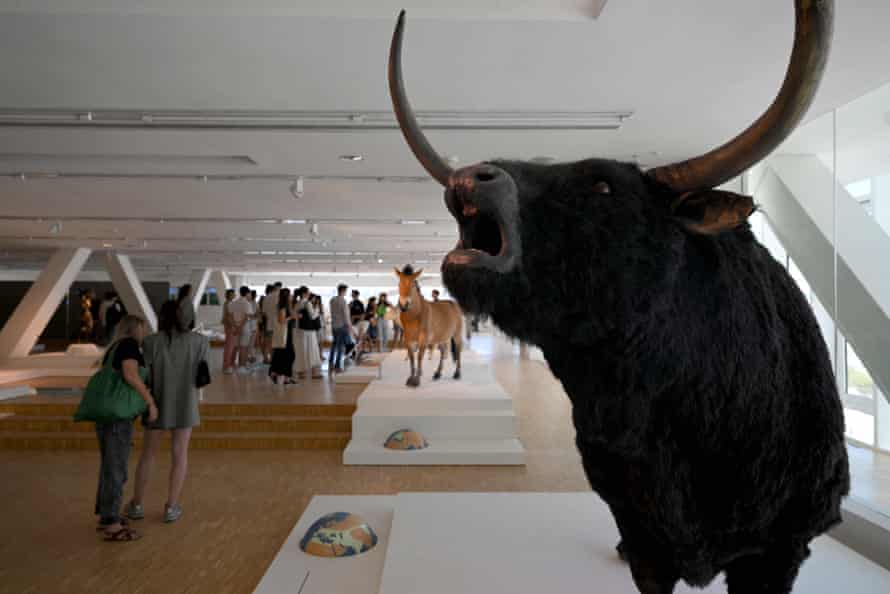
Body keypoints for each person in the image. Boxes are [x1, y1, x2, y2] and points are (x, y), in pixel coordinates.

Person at [125, 300, 209, 525]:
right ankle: (171, 507)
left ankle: (137, 504)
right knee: (180, 455)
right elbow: (203, 374)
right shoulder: (200, 341)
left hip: (157, 403)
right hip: (186, 404)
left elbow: (144, 373)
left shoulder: (151, 342)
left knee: (148, 455)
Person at [94, 315, 158, 541]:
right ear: (136, 329)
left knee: (110, 466)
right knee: (116, 468)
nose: (145, 333)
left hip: (105, 415)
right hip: (118, 417)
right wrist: (149, 401)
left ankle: (107, 515)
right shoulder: (130, 345)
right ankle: (112, 524)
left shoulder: (114, 347)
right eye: (143, 328)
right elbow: (130, 374)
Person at [293, 287, 323, 379]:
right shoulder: (307, 303)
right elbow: (313, 316)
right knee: (312, 349)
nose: (309, 293)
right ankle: (314, 372)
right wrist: (317, 309)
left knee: (302, 350)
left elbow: (296, 316)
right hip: (309, 330)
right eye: (308, 292)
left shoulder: (297, 303)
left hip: (299, 329)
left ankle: (302, 372)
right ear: (304, 293)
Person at [268, 288, 297, 385]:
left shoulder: (287, 306)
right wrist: (291, 317)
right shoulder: (282, 307)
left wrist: (292, 310)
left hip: (287, 333)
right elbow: (282, 321)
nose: (291, 296)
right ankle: (280, 375)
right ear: (286, 296)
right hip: (284, 334)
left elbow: (293, 314)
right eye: (290, 295)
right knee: (287, 355)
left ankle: (284, 376)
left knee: (284, 355)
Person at [328, 284, 355, 374]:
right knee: (341, 347)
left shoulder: (332, 300)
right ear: (343, 290)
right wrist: (350, 327)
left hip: (334, 325)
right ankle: (337, 366)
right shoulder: (343, 301)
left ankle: (330, 363)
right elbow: (346, 316)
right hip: (342, 326)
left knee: (334, 345)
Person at [228, 286, 253, 374]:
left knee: (234, 347)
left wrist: (235, 327)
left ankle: (230, 367)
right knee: (243, 347)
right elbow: (246, 317)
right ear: (247, 293)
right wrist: (240, 328)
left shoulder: (233, 303)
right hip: (244, 327)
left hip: (234, 326)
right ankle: (241, 367)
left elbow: (230, 316)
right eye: (249, 293)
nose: (250, 295)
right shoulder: (247, 303)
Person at [261, 284, 279, 364]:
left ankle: (266, 358)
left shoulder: (266, 298)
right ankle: (273, 359)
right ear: (274, 289)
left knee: (267, 342)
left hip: (268, 323)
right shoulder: (278, 296)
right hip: (278, 323)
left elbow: (264, 312)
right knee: (275, 343)